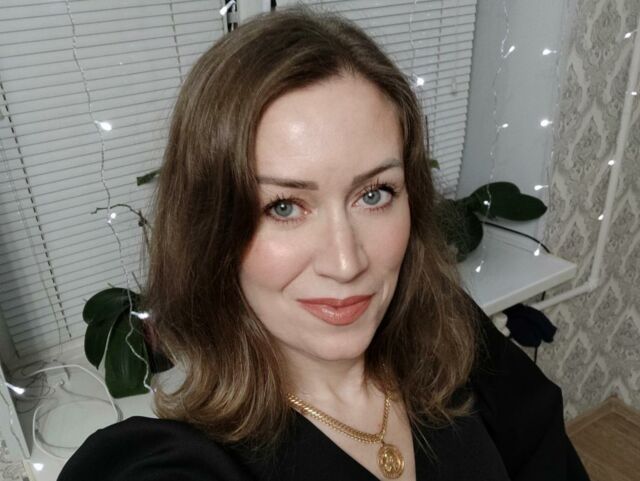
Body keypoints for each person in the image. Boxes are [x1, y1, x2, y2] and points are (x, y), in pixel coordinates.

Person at [58, 6, 590, 481]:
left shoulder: (452, 331)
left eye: (374, 194)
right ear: (211, 230)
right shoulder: (183, 461)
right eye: (283, 207)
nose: (346, 262)